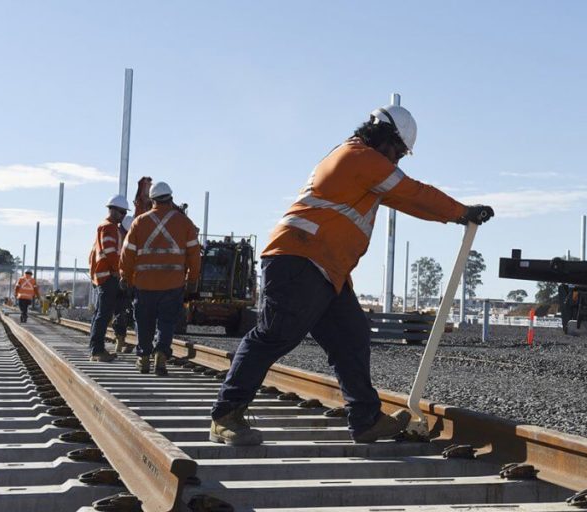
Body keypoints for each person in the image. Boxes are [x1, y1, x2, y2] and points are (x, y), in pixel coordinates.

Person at [209, 103, 494, 446]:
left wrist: (454, 216)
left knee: (351, 338)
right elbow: (412, 192)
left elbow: (408, 201)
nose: (398, 160)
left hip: (325, 269)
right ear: (385, 137)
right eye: (399, 151)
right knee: (274, 335)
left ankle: (366, 419)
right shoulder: (361, 158)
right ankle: (225, 416)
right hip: (298, 258)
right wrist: (461, 211)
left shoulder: (363, 164)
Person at [120, 182, 202, 375]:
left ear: (152, 200)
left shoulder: (139, 222)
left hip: (144, 282)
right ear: (171, 198)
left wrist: (125, 276)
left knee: (144, 320)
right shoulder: (184, 223)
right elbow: (194, 253)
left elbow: (127, 253)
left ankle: (144, 358)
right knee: (167, 321)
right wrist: (193, 279)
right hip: (173, 283)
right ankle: (161, 357)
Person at [87, 195, 129, 362]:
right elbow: (110, 252)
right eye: (121, 211)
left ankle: (95, 349)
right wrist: (118, 271)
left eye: (125, 212)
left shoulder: (107, 227)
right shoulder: (109, 228)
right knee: (103, 315)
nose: (123, 215)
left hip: (104, 275)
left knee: (101, 313)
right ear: (112, 209)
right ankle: (97, 350)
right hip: (108, 276)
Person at [112, 215, 135, 354]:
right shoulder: (126, 239)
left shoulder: (117, 236)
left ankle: (120, 342)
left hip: (120, 279)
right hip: (124, 280)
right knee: (124, 311)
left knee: (121, 311)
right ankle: (121, 342)